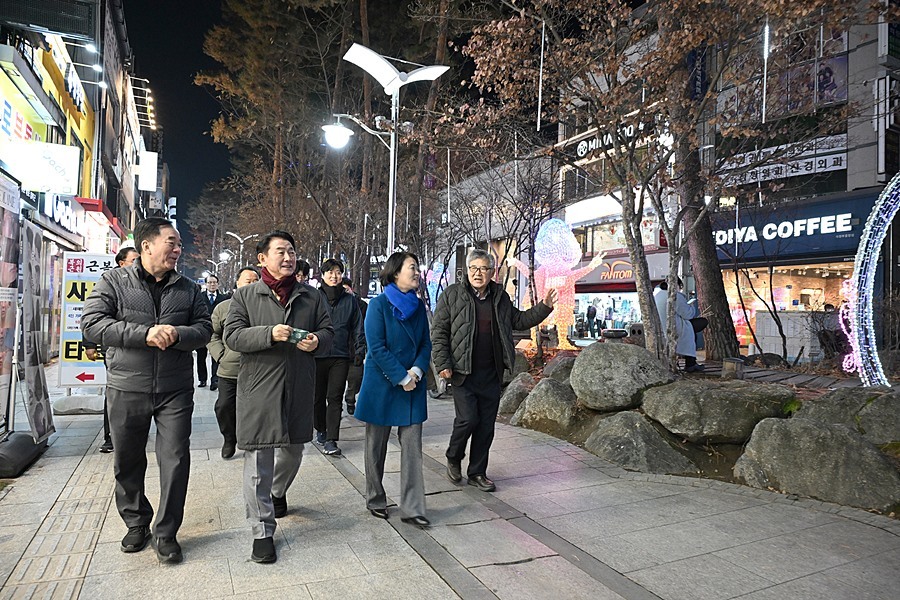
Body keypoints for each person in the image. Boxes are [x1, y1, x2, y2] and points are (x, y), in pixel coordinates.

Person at [81, 217, 212, 564]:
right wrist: (145, 334)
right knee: (127, 459)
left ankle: (166, 532)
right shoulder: (114, 281)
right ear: (147, 245)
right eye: (172, 242)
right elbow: (92, 324)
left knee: (176, 459)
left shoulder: (189, 289)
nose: (178, 249)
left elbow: (205, 329)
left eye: (179, 243)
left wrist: (178, 334)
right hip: (127, 385)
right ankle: (136, 522)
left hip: (175, 389)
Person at [223, 231, 333, 564]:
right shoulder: (246, 296)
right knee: (259, 462)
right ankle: (262, 532)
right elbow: (232, 336)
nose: (288, 258)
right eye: (281, 251)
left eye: (292, 251)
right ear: (262, 258)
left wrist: (318, 342)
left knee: (294, 451)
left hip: (298, 386)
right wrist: (268, 334)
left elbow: (329, 332)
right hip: (259, 388)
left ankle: (277, 491)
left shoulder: (311, 296)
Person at [432, 249, 558, 492]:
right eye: (474, 268)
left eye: (483, 269)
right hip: (463, 372)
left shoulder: (500, 297)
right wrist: (442, 364)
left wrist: (544, 307)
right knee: (467, 419)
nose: (478, 273)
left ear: (492, 272)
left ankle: (477, 472)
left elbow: (519, 320)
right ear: (467, 270)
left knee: (486, 426)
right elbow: (439, 332)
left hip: (491, 372)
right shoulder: (453, 294)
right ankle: (453, 456)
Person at [354, 252, 432, 528]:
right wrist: (401, 377)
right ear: (396, 272)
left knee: (412, 449)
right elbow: (376, 347)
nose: (417, 272)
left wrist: (417, 371)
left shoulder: (418, 306)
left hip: (413, 383)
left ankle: (413, 507)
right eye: (412, 267)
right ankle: (375, 498)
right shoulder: (378, 305)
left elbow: (425, 343)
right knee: (375, 447)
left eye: (417, 267)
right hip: (383, 383)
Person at [85, 246, 140, 453]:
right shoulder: (109, 282)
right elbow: (94, 316)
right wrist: (90, 344)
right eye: (134, 260)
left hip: (139, 348)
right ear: (121, 263)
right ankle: (111, 437)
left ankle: (133, 431)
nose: (138, 263)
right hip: (115, 349)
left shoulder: (144, 282)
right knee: (116, 392)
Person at [207, 266, 259, 459]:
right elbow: (212, 334)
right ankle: (229, 438)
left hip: (258, 368)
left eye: (256, 281)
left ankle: (250, 438)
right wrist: (221, 355)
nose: (252, 284)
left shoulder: (266, 306)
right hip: (229, 368)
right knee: (224, 406)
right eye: (248, 281)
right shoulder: (223, 308)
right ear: (237, 283)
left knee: (254, 407)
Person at [313, 258, 364, 456]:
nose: (334, 276)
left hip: (340, 356)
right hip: (317, 355)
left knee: (334, 397)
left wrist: (359, 350)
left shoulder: (350, 300)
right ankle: (321, 429)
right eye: (330, 272)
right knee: (317, 398)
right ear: (323, 275)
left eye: (338, 272)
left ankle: (331, 439)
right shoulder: (314, 298)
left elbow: (357, 327)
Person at [653, 278, 705, 372]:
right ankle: (690, 363)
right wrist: (691, 306)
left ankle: (691, 362)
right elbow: (688, 314)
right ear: (676, 285)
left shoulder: (657, 295)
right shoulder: (675, 296)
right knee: (701, 323)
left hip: (661, 329)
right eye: (680, 287)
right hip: (675, 328)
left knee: (693, 331)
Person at [197, 274, 229, 390]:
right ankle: (202, 379)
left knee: (216, 356)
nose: (212, 284)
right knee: (201, 356)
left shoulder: (224, 298)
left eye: (214, 282)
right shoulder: (199, 297)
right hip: (203, 330)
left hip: (218, 331)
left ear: (218, 284)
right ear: (206, 284)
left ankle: (215, 380)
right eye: (209, 282)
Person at [342, 276, 367, 416]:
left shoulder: (362, 305)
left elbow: (365, 328)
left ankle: (350, 399)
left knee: (356, 378)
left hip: (355, 348)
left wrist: (362, 349)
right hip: (339, 350)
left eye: (347, 289)